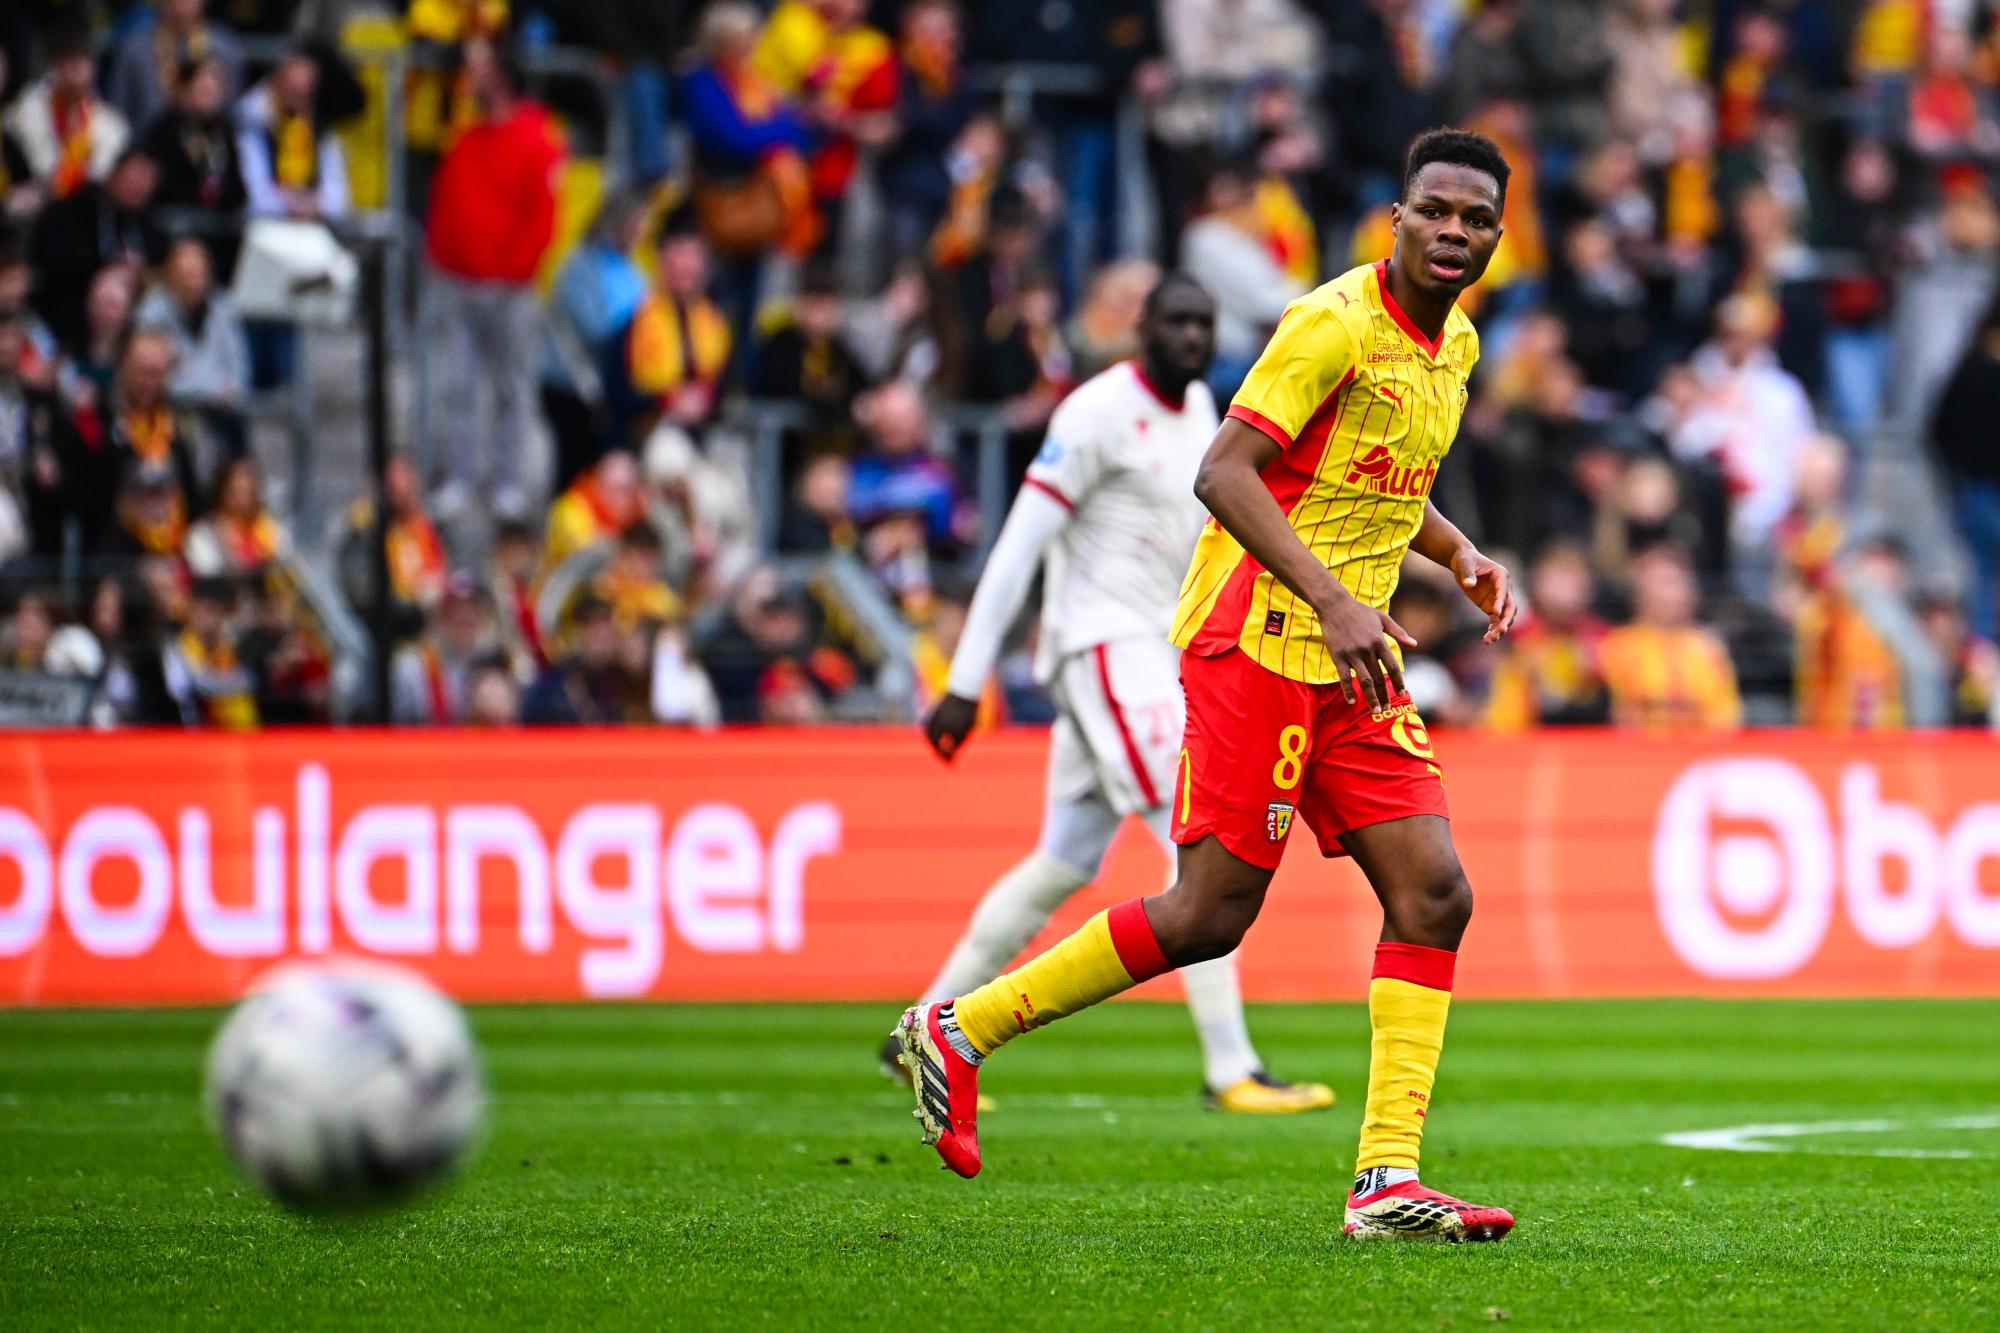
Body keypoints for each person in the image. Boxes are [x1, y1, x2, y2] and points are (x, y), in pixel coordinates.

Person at [896, 130, 1522, 1243]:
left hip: (1350, 659)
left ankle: (1384, 1180)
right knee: (1205, 916)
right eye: (1434, 210)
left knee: (1436, 893)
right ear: (1395, 216)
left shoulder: (1455, 343)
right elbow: (1223, 470)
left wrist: (1458, 551)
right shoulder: (1329, 324)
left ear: (1493, 237)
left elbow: (1376, 478)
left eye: (1474, 220)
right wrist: (1333, 598)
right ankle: (956, 1027)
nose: (1452, 233)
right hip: (1258, 641)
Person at [895, 273, 1332, 1114]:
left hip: (1152, 655)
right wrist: (963, 678)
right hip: (1100, 647)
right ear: (1142, 328)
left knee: (1061, 861)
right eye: (1177, 323)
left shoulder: (1205, 406)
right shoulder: (1093, 413)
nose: (1193, 339)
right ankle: (1230, 1067)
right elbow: (1020, 544)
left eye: (1204, 323)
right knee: (1198, 846)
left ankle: (917, 1034)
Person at [422, 38, 565, 517]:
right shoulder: (465, 132)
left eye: (477, 69)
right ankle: (460, 477)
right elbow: (445, 198)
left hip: (509, 289)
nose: (468, 79)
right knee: (457, 385)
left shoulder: (537, 134)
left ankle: (507, 481)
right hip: (457, 281)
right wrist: (440, 256)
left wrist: (513, 269)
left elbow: (543, 215)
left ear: (501, 76)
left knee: (511, 388)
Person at [5, 30, 131, 200]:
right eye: (65, 63)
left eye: (80, 63)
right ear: (53, 66)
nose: (72, 73)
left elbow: (103, 175)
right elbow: (36, 168)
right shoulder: (25, 110)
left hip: (87, 209)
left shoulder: (111, 124)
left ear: (93, 67)